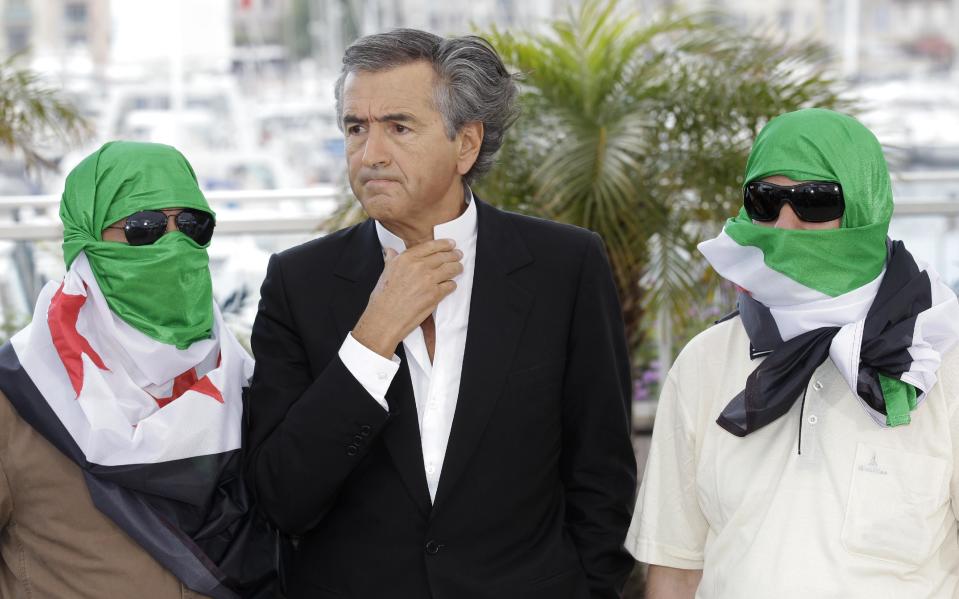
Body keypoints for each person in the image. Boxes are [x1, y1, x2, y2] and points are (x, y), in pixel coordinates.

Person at [245, 29, 637, 599]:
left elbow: (601, 474)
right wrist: (370, 339)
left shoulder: (564, 266)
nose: (370, 153)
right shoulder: (298, 281)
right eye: (356, 128)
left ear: (466, 145)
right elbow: (280, 496)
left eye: (398, 127)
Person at [628, 108, 959, 598]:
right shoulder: (704, 362)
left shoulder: (942, 359)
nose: (785, 223)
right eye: (764, 200)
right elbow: (675, 569)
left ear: (865, 205)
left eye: (815, 201)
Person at [0, 141, 275, 599]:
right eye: (142, 228)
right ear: (86, 239)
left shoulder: (242, 382)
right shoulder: (17, 395)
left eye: (192, 226)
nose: (173, 246)